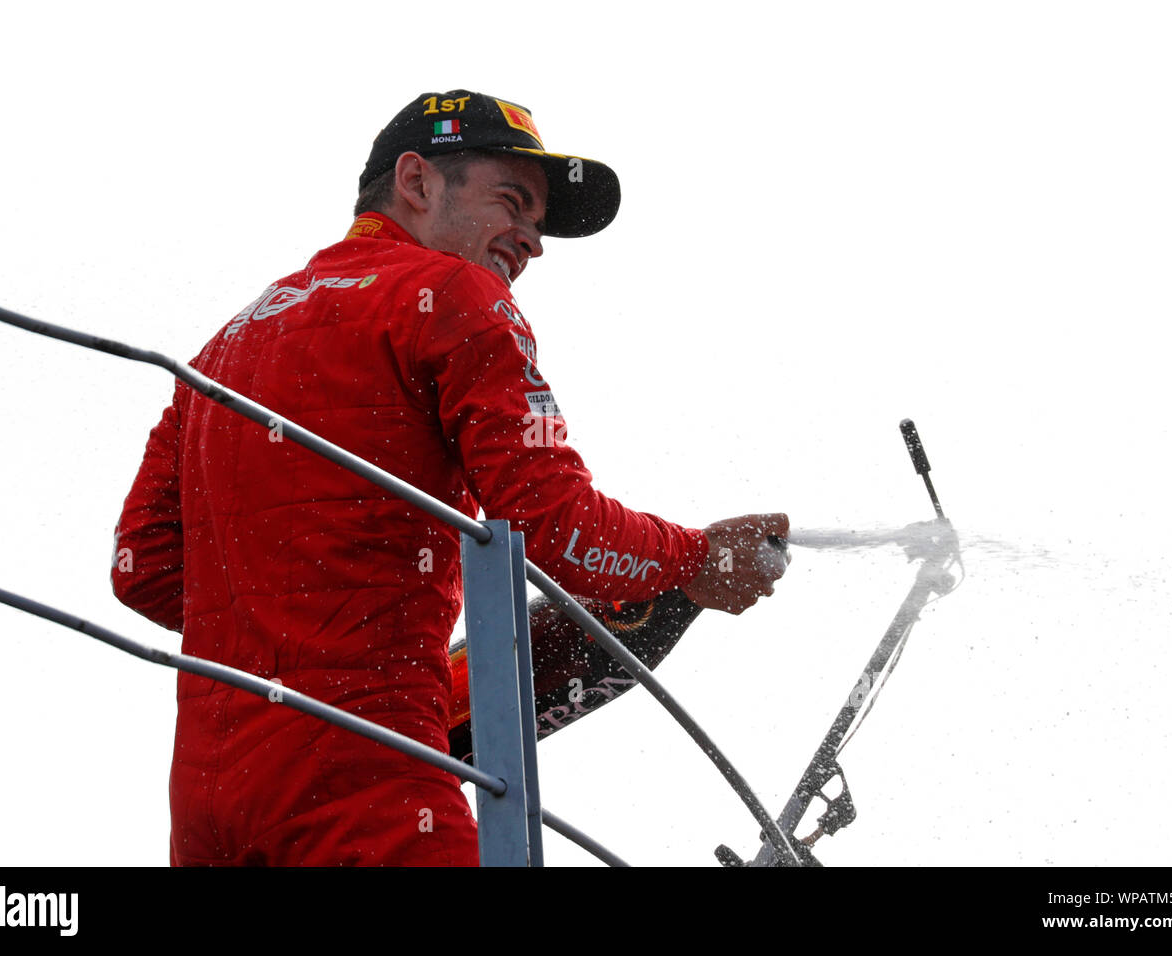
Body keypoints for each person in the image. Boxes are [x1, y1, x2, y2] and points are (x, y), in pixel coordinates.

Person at [111, 89, 788, 866]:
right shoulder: (457, 296)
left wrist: (297, 626)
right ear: (417, 182)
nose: (532, 240)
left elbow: (144, 571)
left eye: (539, 222)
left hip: (209, 802)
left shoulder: (225, 344)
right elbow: (559, 529)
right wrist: (699, 558)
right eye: (512, 201)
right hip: (372, 782)